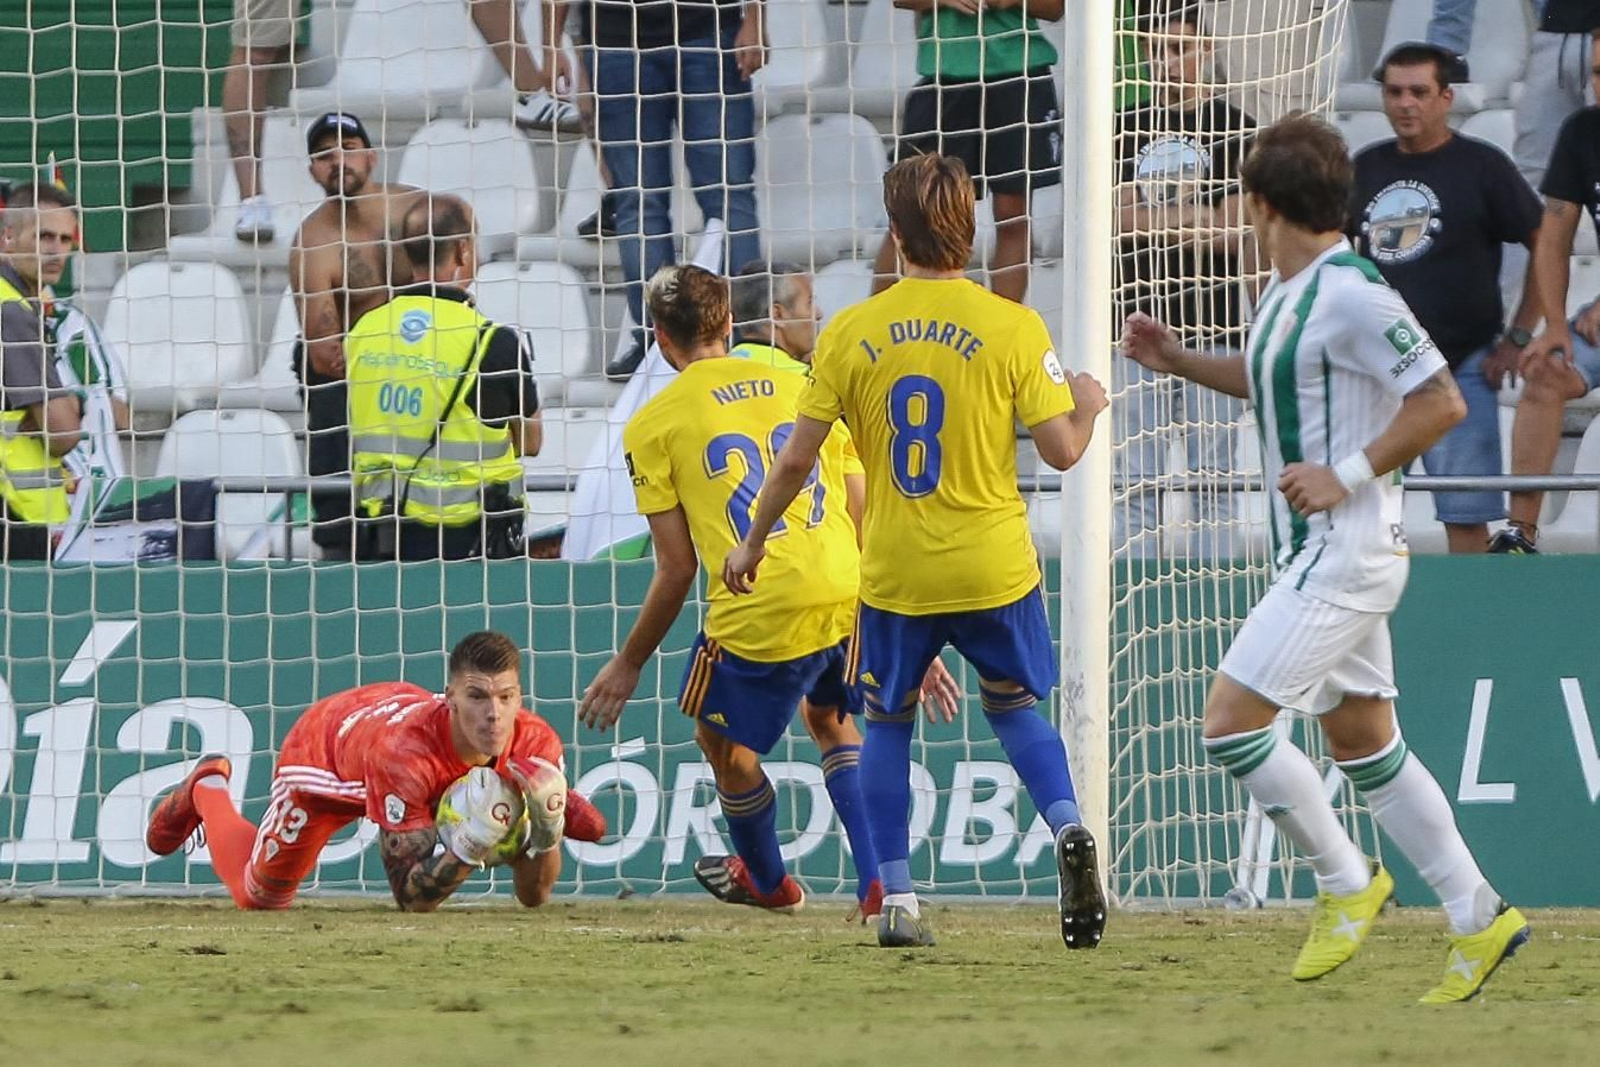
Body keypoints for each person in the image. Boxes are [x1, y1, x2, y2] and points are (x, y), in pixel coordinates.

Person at [1121, 114, 1529, 1003]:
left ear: (1261, 205)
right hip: (1319, 551)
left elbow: (1441, 401)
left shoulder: (1354, 293)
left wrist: (1342, 474)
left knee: (1230, 723)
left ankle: (1346, 879)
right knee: (1365, 744)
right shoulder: (1289, 291)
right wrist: (1177, 358)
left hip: (1345, 550)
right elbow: (1271, 377)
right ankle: (1478, 912)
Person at [723, 154, 1110, 950]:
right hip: (994, 564)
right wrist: (1088, 403)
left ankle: (898, 898)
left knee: (888, 724)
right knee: (1013, 706)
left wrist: (753, 540)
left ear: (895, 235)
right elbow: (1064, 450)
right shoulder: (1013, 324)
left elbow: (796, 459)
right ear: (971, 228)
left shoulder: (850, 331)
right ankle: (1069, 825)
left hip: (898, 571)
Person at [578, 264, 960, 917]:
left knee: (722, 746)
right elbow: (862, 506)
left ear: (660, 339)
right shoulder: (802, 382)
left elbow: (676, 568)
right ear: (729, 324)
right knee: (831, 719)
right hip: (845, 585)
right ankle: (877, 883)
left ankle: (767, 879)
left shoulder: (652, 423)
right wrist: (902, 619)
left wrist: (629, 661)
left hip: (760, 600)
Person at [145, 631, 607, 911]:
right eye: (477, 697)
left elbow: (537, 894)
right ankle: (208, 788)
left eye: (506, 697)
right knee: (259, 898)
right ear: (450, 697)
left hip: (393, 722)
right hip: (329, 753)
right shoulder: (404, 755)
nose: (494, 714)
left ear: (520, 697)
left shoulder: (535, 744)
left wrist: (547, 829)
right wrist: (470, 844)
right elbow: (411, 898)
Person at [1349, 42, 1544, 554]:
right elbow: (1328, 253)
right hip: (1377, 372)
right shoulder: (1364, 167)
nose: (1405, 104)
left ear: (1446, 97)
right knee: (1358, 515)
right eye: (1394, 92)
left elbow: (1547, 243)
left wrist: (1520, 335)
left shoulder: (1483, 165)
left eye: (1419, 91)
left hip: (1461, 367)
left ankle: (1476, 609)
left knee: (1466, 518)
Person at [544, 0, 767, 381]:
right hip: (624, 40)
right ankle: (665, 338)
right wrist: (552, 45)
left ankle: (744, 334)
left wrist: (755, 18)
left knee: (715, 196)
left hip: (704, 30)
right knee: (651, 200)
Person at [1115, 4, 1254, 556]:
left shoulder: (1237, 127)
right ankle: (1127, 591)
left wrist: (1151, 218)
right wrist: (1198, 217)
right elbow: (1112, 221)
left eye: (1180, 49)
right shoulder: (1122, 126)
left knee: (1215, 483)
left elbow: (1232, 231)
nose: (1168, 62)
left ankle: (1218, 591)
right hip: (1132, 326)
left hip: (1211, 329)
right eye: (1157, 51)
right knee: (1134, 485)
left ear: (1207, 50)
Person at [345, 193, 542, 561]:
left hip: (381, 533)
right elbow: (530, 442)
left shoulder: (363, 330)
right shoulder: (492, 341)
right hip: (471, 538)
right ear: (463, 251)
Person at [289, 112, 426, 561]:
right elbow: (325, 356)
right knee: (319, 379)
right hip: (349, 379)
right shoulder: (313, 243)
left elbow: (457, 288)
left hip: (426, 363)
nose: (337, 161)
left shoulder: (419, 212)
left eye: (348, 149)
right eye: (324, 154)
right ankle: (339, 540)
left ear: (371, 157)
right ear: (313, 171)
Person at [868, 0, 1063, 303]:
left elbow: (1054, 8)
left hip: (1020, 76)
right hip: (944, 77)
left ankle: (1000, 325)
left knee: (1012, 214)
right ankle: (877, 323)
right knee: (912, 208)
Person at [1495, 37, 1600, 553]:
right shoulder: (1582, 132)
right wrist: (1555, 325)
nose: (1599, 86)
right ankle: (1521, 532)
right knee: (1544, 370)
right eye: (1596, 73)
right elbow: (1554, 235)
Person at [0, 182, 83, 559]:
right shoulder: (12, 313)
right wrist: (74, 406)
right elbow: (63, 433)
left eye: (65, 239)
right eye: (44, 236)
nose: (56, 250)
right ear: (8, 238)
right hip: (16, 514)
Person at [729, 260, 821, 372]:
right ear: (777, 315)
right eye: (809, 303)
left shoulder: (718, 369)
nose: (819, 314)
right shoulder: (802, 377)